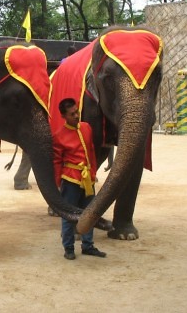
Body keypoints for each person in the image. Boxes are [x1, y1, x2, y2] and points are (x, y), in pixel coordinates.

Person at [53, 97, 106, 260]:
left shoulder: (86, 128)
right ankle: (68, 247)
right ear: (63, 116)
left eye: (77, 112)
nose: (76, 116)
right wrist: (57, 183)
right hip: (71, 180)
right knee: (69, 215)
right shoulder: (59, 135)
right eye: (72, 114)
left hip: (87, 178)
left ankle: (88, 245)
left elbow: (91, 152)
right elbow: (56, 162)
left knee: (90, 213)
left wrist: (92, 174)